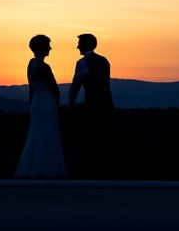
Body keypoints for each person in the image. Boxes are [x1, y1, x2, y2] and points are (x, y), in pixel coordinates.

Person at [15, 35, 67, 178]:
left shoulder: (30, 64)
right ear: (42, 48)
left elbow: (31, 88)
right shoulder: (45, 66)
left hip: (36, 103)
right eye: (48, 45)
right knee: (49, 135)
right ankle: (50, 169)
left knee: (36, 135)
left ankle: (34, 167)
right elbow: (55, 89)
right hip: (47, 103)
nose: (50, 48)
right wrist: (58, 105)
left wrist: (31, 105)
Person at [68, 33, 115, 178]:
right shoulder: (104, 61)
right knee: (105, 137)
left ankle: (89, 169)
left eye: (79, 44)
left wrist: (70, 103)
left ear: (85, 45)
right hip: (107, 103)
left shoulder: (82, 62)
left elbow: (76, 84)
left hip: (92, 104)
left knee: (90, 137)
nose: (77, 47)